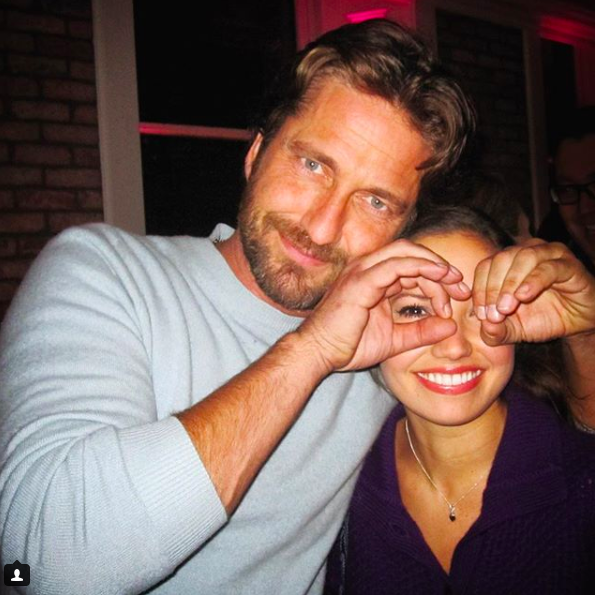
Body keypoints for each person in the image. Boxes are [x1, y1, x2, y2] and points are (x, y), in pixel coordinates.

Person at [0, 19, 478, 595]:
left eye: (375, 201)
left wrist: (569, 332)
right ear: (256, 154)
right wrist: (312, 351)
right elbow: (39, 565)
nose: (322, 227)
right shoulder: (104, 272)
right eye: (313, 165)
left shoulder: (391, 341)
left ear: (403, 228)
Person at [325, 205, 595, 594]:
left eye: (484, 311)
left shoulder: (581, 479)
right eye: (415, 310)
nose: (453, 347)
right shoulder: (337, 488)